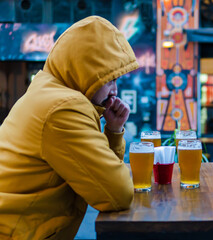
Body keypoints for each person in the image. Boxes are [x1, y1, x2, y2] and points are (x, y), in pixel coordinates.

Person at [0, 16, 138, 239]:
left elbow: (100, 179)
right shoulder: (64, 108)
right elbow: (117, 195)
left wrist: (113, 130)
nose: (115, 90)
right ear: (88, 70)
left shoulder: (49, 91)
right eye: (110, 79)